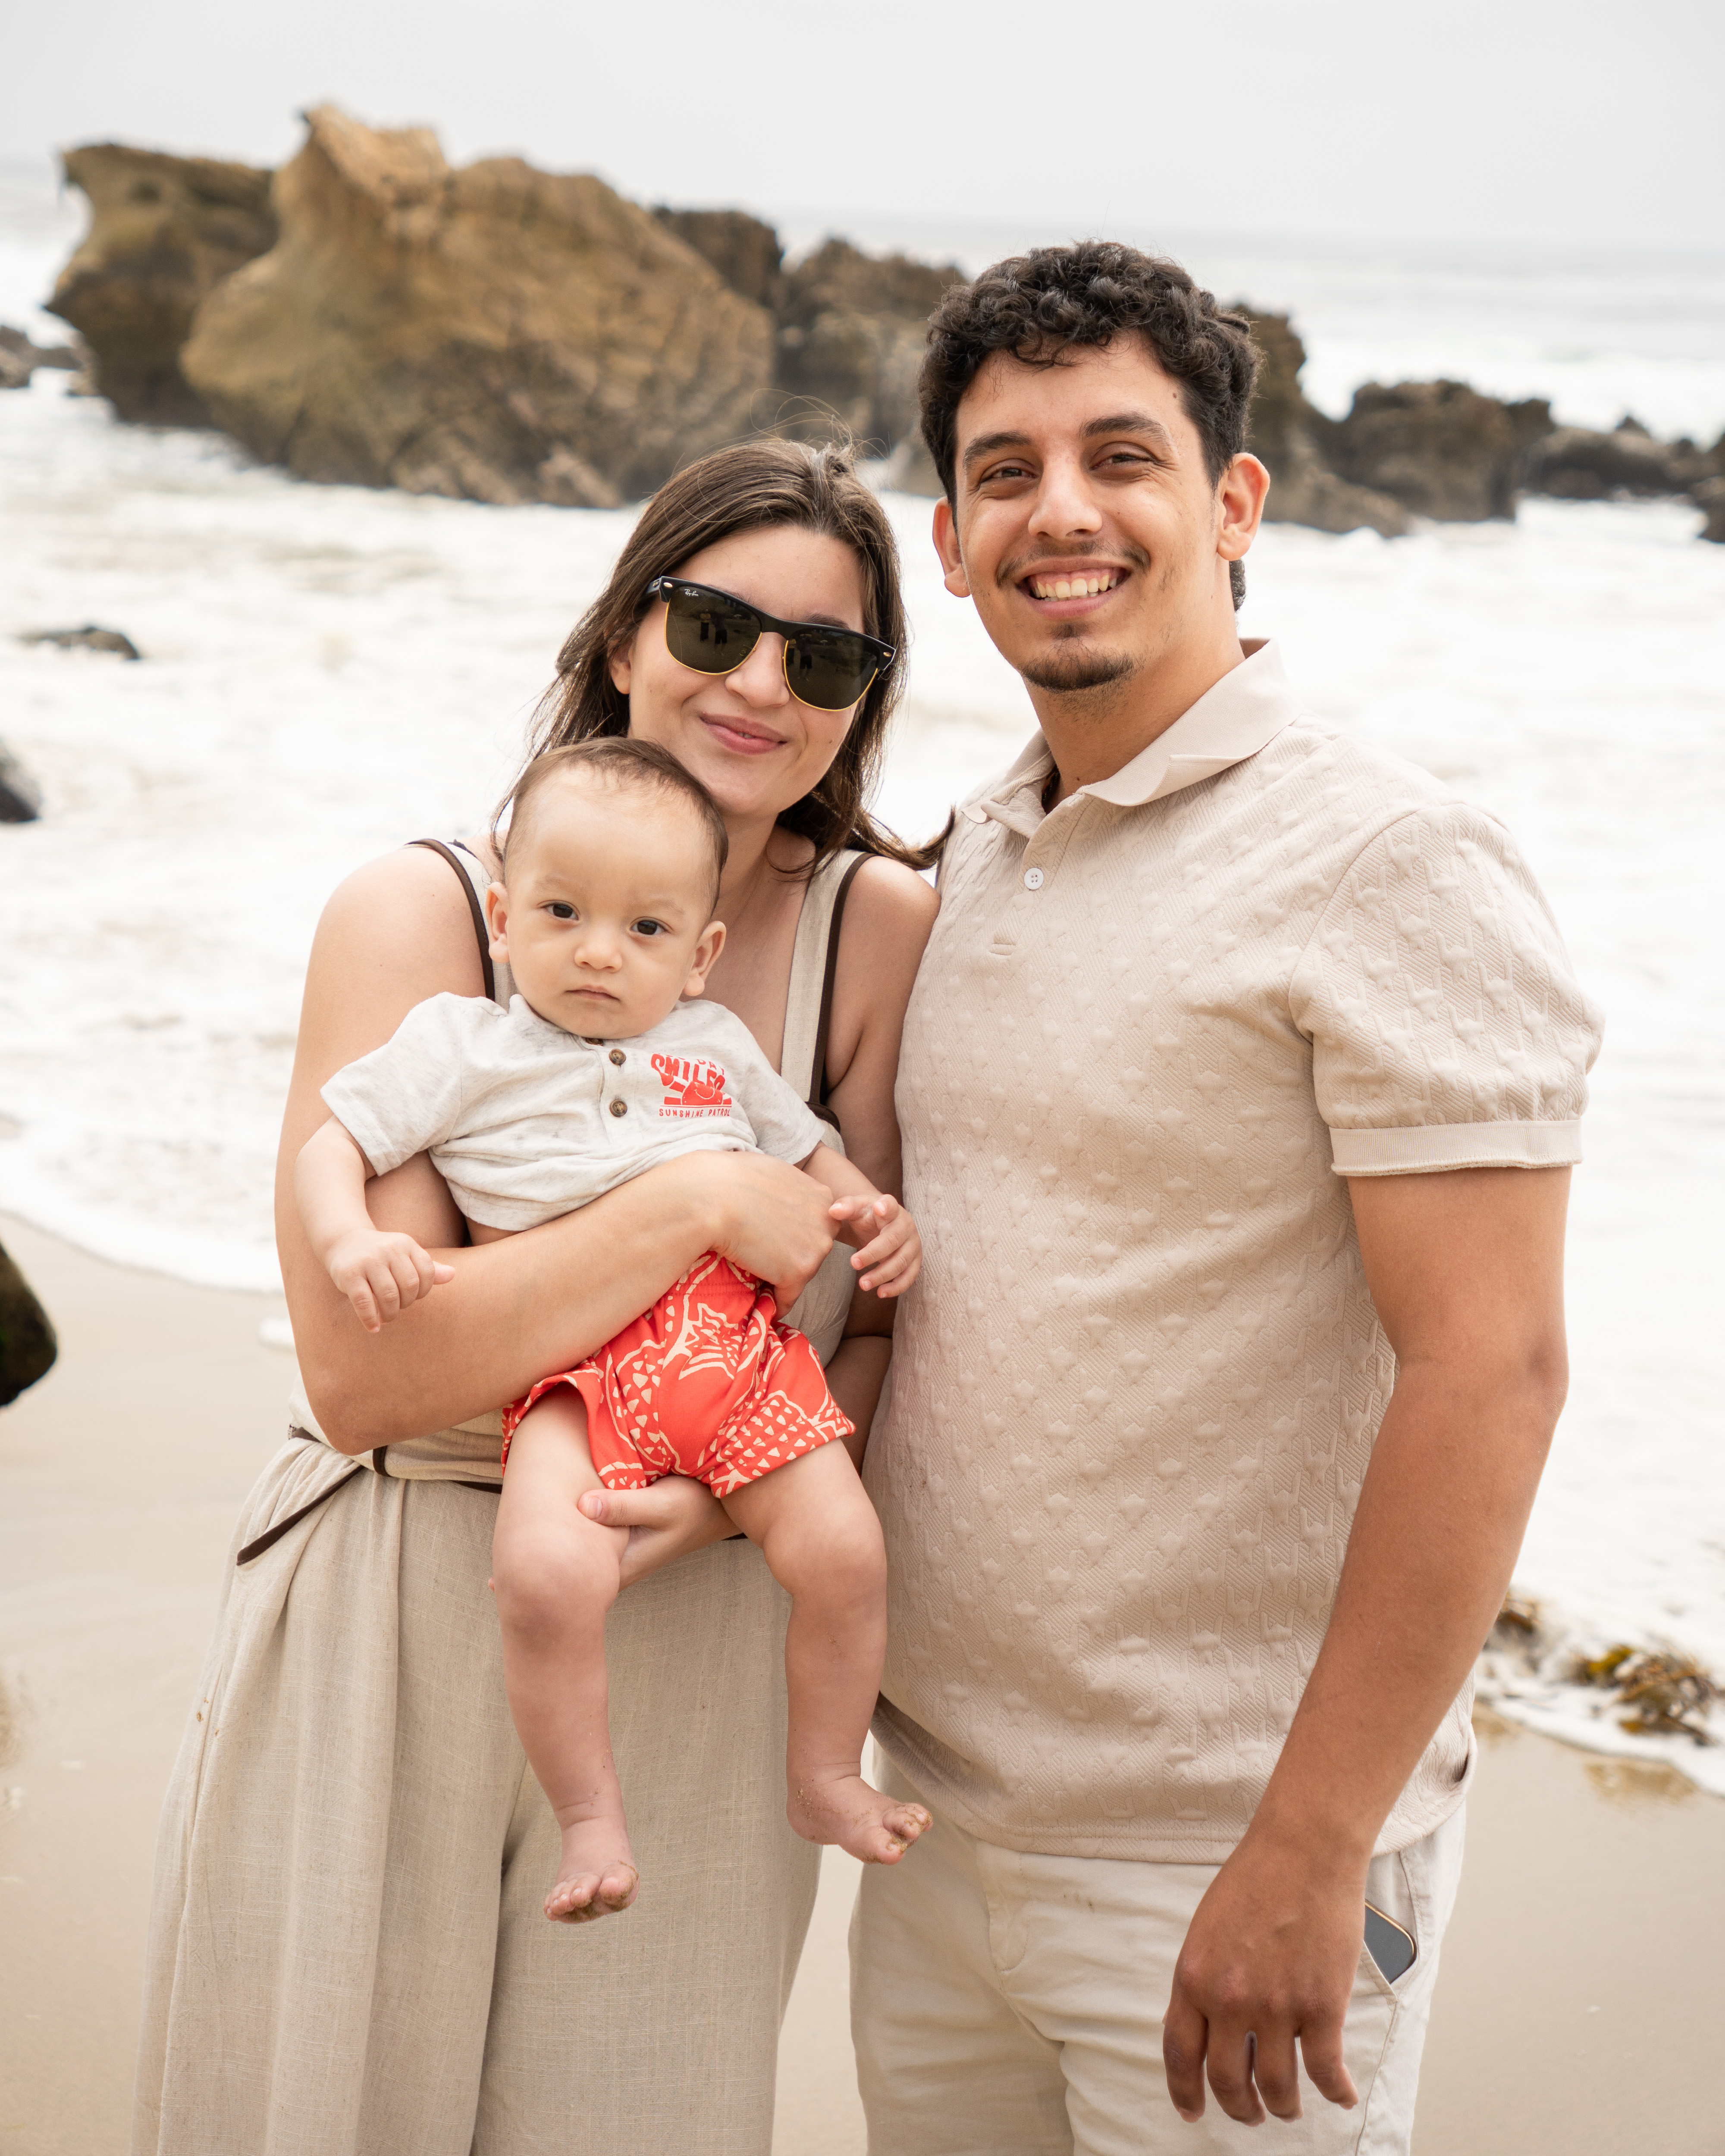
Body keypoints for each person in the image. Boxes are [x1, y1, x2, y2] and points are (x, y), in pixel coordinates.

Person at [853, 242, 1604, 2156]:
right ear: (948, 540)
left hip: (1225, 1871)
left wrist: (1308, 1842)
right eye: (1006, 470)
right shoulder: (979, 850)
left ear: (1234, 503)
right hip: (943, 1838)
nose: (1063, 511)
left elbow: (1493, 1367)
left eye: (1122, 455)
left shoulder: (1389, 858)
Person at [132, 437, 939, 2156]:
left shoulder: (885, 928)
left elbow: (878, 1325)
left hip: (711, 1631)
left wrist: (723, 1513)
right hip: (404, 1585)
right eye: (716, 624)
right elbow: (378, 1372)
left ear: (863, 701)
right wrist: (701, 1200)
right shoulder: (430, 906)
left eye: (827, 656)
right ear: (628, 629)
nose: (757, 683)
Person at [295, 736, 929, 1924]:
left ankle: (826, 1773)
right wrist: (350, 1242)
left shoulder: (716, 1051)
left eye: (645, 931)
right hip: (573, 1376)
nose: (598, 950)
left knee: (845, 1553)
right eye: (563, 911)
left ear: (702, 956)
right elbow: (333, 1145)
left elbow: (810, 1159)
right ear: (501, 911)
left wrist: (872, 1219)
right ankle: (591, 1815)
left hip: (740, 1355)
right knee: (542, 1577)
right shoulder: (462, 1046)